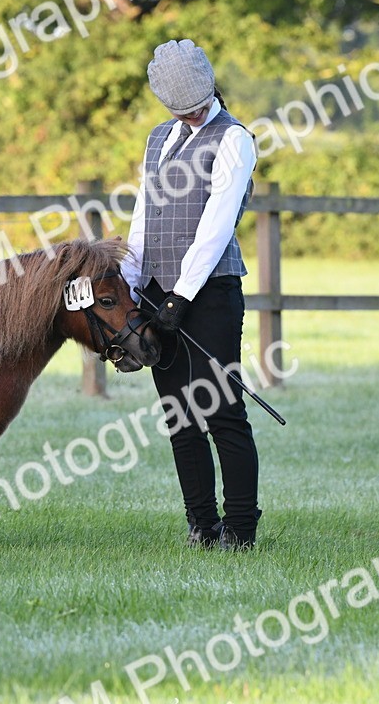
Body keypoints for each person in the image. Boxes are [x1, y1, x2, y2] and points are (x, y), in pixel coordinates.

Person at [122, 39, 262, 550]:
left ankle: (241, 529)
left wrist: (181, 298)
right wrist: (133, 286)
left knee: (223, 410)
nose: (192, 115)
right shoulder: (159, 139)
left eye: (197, 105)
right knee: (179, 414)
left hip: (211, 293)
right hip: (160, 293)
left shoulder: (234, 139)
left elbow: (216, 225)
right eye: (182, 110)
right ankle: (202, 526)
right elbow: (143, 219)